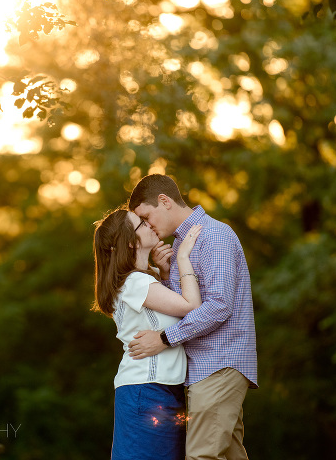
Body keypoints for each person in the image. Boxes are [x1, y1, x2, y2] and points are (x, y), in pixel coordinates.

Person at [126, 174, 257, 460]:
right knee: (231, 455)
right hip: (203, 368)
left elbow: (220, 305)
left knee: (201, 456)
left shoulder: (214, 235)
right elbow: (186, 307)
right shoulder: (180, 246)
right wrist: (164, 274)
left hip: (219, 363)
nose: (147, 227)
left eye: (146, 217)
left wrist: (164, 339)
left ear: (164, 201)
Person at [93, 207, 204, 460]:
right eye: (141, 224)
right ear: (131, 243)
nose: (149, 224)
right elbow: (192, 308)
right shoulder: (134, 282)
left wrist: (165, 272)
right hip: (147, 390)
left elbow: (174, 313)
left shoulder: (147, 278)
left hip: (159, 389)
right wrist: (183, 257)